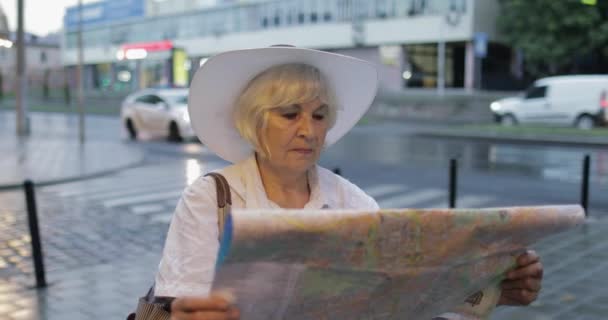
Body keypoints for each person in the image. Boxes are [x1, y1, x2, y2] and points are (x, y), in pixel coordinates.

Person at [150, 46, 543, 320]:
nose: (308, 130)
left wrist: (494, 291)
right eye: (290, 114)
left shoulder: (355, 204)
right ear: (254, 122)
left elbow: (398, 303)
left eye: (320, 116)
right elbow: (183, 304)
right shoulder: (210, 198)